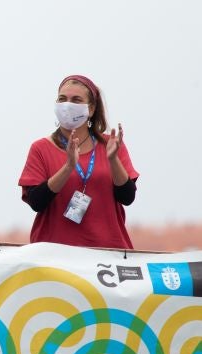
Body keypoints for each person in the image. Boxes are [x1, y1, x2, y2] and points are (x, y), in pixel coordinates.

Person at [18, 74, 139, 249]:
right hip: (55, 256)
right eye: (62, 99)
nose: (67, 105)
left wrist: (112, 160)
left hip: (108, 254)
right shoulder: (40, 148)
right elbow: (36, 202)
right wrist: (68, 167)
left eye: (76, 100)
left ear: (91, 109)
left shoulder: (111, 144)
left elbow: (127, 197)